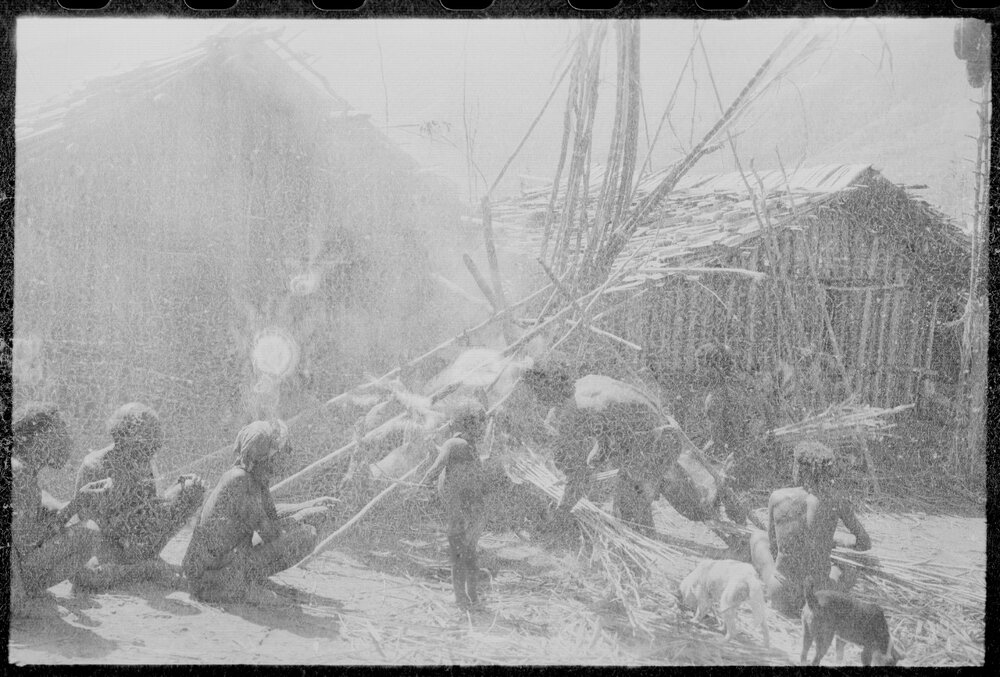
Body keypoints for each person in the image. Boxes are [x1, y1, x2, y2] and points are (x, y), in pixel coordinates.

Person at [181, 420, 337, 604]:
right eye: (282, 451)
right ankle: (234, 585)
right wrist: (304, 515)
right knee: (306, 535)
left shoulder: (253, 476)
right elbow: (269, 532)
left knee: (305, 528)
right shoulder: (240, 481)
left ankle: (240, 580)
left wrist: (310, 504)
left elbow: (271, 513)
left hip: (216, 566)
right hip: (207, 577)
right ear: (267, 455)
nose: (288, 455)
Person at [75, 402, 207, 589]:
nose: (154, 447)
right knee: (92, 573)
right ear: (125, 436)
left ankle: (144, 563)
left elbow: (150, 505)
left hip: (135, 538)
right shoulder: (95, 465)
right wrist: (126, 527)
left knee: (192, 489)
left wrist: (181, 487)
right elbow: (89, 522)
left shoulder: (141, 461)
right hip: (107, 545)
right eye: (148, 439)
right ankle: (145, 568)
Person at [750, 440, 871, 617]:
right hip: (818, 597)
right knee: (846, 569)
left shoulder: (777, 498)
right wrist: (833, 541)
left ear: (799, 469)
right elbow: (865, 543)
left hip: (782, 594)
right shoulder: (836, 501)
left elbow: (775, 548)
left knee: (757, 539)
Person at [10, 403, 112, 613]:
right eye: (60, 433)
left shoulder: (21, 469)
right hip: (14, 581)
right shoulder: (19, 473)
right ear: (40, 439)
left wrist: (77, 502)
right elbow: (24, 545)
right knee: (88, 532)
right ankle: (19, 598)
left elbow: (28, 538)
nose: (67, 442)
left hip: (18, 570)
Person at [424, 407, 488, 608]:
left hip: (460, 512)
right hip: (477, 512)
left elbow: (436, 467)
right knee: (470, 553)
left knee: (457, 555)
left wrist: (420, 484)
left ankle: (460, 599)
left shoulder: (452, 443)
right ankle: (473, 597)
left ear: (457, 423)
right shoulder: (471, 448)